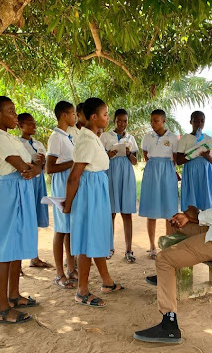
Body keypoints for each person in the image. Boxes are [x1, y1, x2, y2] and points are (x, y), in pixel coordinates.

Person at [133, 143, 212, 343]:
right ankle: (167, 278)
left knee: (164, 259)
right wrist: (189, 217)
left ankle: (169, 325)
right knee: (180, 224)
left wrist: (198, 215)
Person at [63, 97, 125, 308]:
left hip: (97, 191)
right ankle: (82, 291)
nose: (109, 117)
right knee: (86, 242)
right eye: (106, 114)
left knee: (96, 237)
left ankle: (106, 282)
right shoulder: (87, 140)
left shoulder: (93, 137)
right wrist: (68, 204)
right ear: (93, 117)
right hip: (89, 194)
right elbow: (74, 176)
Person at [0, 96, 41, 324]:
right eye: (10, 111)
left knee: (16, 246)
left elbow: (37, 164)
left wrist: (35, 168)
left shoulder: (10, 137)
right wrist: (34, 167)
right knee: (5, 251)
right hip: (9, 192)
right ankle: (2, 308)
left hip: (21, 190)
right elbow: (22, 166)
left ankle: (14, 295)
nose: (15, 115)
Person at [139, 109, 179, 259]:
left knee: (169, 210)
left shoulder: (173, 138)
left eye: (156, 120)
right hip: (151, 171)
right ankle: (152, 247)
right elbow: (145, 154)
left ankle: (167, 247)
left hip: (167, 171)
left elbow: (175, 157)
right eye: (151, 121)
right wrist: (154, 166)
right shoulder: (147, 137)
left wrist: (164, 167)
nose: (152, 124)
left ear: (164, 121)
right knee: (152, 210)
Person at [100, 109, 138, 263]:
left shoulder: (131, 138)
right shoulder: (105, 136)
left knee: (127, 213)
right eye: (119, 121)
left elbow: (135, 161)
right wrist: (109, 154)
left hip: (126, 175)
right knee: (111, 213)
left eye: (125, 121)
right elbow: (100, 158)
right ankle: (109, 247)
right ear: (114, 121)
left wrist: (128, 153)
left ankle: (128, 250)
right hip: (111, 173)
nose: (122, 124)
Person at [46, 101, 78, 289]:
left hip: (70, 183)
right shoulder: (56, 137)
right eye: (73, 113)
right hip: (61, 185)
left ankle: (71, 268)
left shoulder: (68, 136)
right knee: (61, 229)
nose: (75, 117)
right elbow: (50, 168)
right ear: (64, 115)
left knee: (69, 229)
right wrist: (73, 163)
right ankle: (59, 273)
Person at [17, 113, 53, 270]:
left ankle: (34, 257)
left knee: (34, 219)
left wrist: (42, 162)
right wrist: (32, 163)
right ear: (20, 126)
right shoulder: (17, 144)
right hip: (26, 182)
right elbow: (17, 164)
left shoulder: (38, 144)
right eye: (29, 124)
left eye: (34, 123)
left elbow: (45, 167)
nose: (34, 126)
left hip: (38, 182)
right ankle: (16, 262)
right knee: (23, 219)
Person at [177, 111, 212, 211]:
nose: (199, 123)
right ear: (190, 122)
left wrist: (207, 156)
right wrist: (192, 154)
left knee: (207, 202)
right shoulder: (185, 139)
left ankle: (207, 224)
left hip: (206, 173)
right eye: (196, 121)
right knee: (192, 206)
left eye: (202, 121)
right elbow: (178, 160)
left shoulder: (208, 139)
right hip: (191, 173)